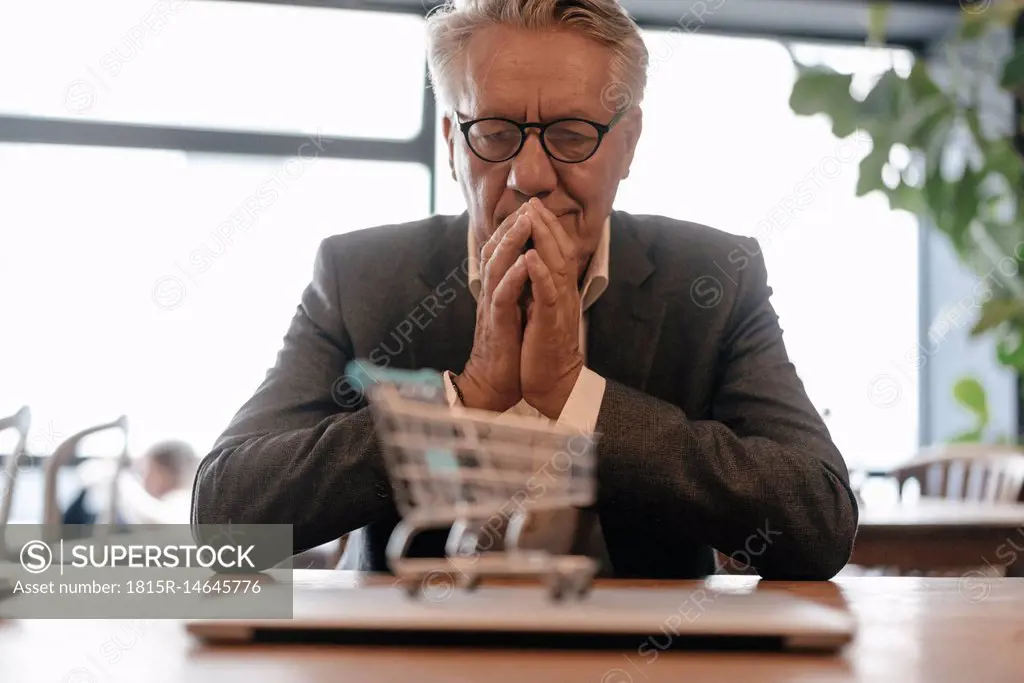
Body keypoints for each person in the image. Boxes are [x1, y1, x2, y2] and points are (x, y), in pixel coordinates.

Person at [191, 0, 858, 580]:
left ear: (626, 146)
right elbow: (222, 520)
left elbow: (818, 519)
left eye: (572, 135)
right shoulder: (360, 276)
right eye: (496, 133)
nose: (531, 175)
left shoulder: (712, 276)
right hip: (405, 655)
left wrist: (577, 396)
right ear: (452, 140)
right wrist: (461, 403)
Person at [72, 440, 198, 526]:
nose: (144, 478)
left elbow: (155, 518)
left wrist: (121, 482)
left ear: (167, 473)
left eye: (149, 471)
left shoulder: (182, 503)